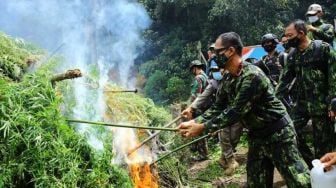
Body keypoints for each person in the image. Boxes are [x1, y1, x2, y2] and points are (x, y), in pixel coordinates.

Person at [178, 32, 310, 187]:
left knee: (300, 182)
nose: (213, 56)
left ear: (230, 51)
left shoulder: (251, 75)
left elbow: (236, 111)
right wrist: (195, 121)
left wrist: (202, 127)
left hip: (279, 134)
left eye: (217, 52)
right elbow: (218, 106)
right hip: (257, 137)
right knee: (256, 183)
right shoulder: (228, 77)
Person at [276, 19, 336, 168]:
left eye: (290, 35)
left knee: (324, 146)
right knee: (289, 132)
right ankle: (312, 165)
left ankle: (325, 175)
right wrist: (272, 102)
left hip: (323, 106)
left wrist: (333, 103)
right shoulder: (292, 56)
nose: (287, 39)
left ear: (301, 33)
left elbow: (334, 77)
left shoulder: (322, 49)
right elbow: (283, 82)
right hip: (301, 106)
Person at [182, 49, 242, 175]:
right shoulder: (214, 81)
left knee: (235, 135)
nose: (218, 72)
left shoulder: (236, 76)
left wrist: (200, 121)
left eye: (220, 69)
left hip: (237, 112)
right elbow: (204, 95)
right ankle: (230, 161)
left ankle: (224, 157)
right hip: (222, 111)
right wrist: (191, 107)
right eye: (215, 70)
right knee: (224, 136)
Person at [188, 59, 209, 161]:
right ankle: (202, 151)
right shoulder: (206, 76)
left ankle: (203, 154)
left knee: (198, 130)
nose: (192, 71)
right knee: (202, 129)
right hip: (205, 107)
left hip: (199, 107)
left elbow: (195, 95)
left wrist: (190, 108)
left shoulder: (198, 78)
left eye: (192, 69)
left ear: (195, 68)